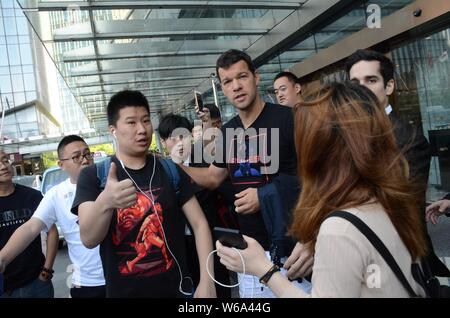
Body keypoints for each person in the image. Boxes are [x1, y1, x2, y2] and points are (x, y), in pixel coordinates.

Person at [217, 82, 428, 297]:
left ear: (321, 148)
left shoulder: (340, 230)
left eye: (305, 138)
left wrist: (264, 269)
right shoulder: (389, 202)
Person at [180, 49, 311, 298]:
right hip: (248, 251)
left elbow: (319, 178)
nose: (236, 86)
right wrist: (175, 167)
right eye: (228, 82)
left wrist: (264, 195)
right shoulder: (228, 133)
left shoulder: (290, 118)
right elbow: (212, 177)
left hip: (294, 251)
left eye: (242, 77)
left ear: (256, 78)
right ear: (222, 88)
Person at [71, 90, 215, 298]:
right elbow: (89, 239)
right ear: (113, 130)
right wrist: (106, 201)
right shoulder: (94, 176)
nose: (141, 129)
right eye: (131, 123)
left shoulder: (170, 170)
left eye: (146, 121)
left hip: (179, 291)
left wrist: (207, 281)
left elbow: (199, 224)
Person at [346, 49, 450, 277]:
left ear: (389, 87)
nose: (361, 89)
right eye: (355, 82)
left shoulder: (410, 139)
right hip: (353, 258)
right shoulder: (344, 137)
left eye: (370, 80)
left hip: (401, 261)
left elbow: (400, 207)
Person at [1, 136, 106, 298]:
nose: (84, 160)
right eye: (76, 157)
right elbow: (31, 227)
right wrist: (3, 258)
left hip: (122, 276)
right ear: (61, 165)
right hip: (87, 283)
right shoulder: (55, 195)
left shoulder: (109, 183)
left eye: (87, 154)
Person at [159, 113, 231, 297]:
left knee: (219, 290)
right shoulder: (160, 174)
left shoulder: (209, 164)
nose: (178, 143)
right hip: (179, 247)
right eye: (172, 139)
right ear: (163, 142)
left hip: (213, 242)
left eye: (182, 136)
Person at [0, 149, 58, 298]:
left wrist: (46, 271)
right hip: (4, 288)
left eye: (5, 160)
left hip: (36, 283)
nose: (3, 166)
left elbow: (52, 232)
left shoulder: (32, 196)